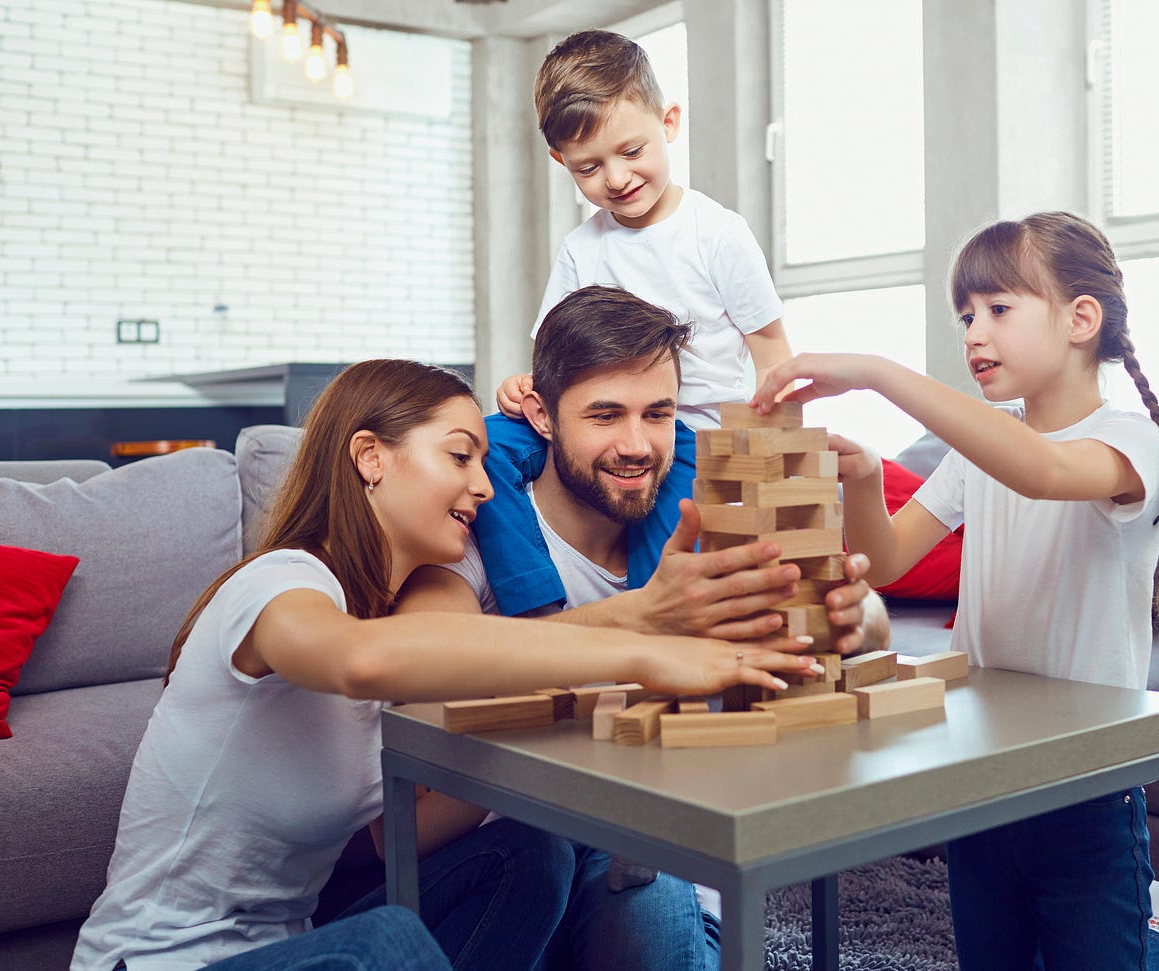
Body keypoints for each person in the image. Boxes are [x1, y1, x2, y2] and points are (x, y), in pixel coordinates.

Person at [70, 360, 822, 971]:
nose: (484, 486)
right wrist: (644, 648)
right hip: (159, 961)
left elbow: (462, 724)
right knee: (385, 943)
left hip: (294, 950)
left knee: (528, 855)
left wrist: (642, 629)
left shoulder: (392, 622)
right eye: (459, 456)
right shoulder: (282, 585)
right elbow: (361, 662)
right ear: (371, 457)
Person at [749, 211, 1159, 971]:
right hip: (981, 767)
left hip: (1085, 777)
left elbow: (1043, 472)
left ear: (1081, 319)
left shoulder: (1128, 438)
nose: (974, 333)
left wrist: (876, 370)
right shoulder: (980, 448)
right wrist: (867, 480)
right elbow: (891, 558)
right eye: (966, 315)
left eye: (998, 310)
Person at [397, 287, 889, 969]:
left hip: (647, 845)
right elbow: (424, 678)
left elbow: (875, 619)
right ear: (539, 413)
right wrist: (638, 626)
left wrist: (847, 611)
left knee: (651, 917)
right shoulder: (474, 533)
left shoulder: (703, 526)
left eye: (656, 413)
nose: (636, 445)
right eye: (605, 414)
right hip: (516, 854)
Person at [477, 29, 794, 617]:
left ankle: (656, 643)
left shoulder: (717, 234)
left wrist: (769, 441)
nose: (617, 179)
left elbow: (772, 350)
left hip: (693, 431)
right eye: (589, 168)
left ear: (669, 122)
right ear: (561, 162)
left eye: (631, 152)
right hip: (596, 420)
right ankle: (537, 610)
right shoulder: (581, 247)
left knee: (667, 541)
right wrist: (524, 388)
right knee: (487, 443)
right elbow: (555, 354)